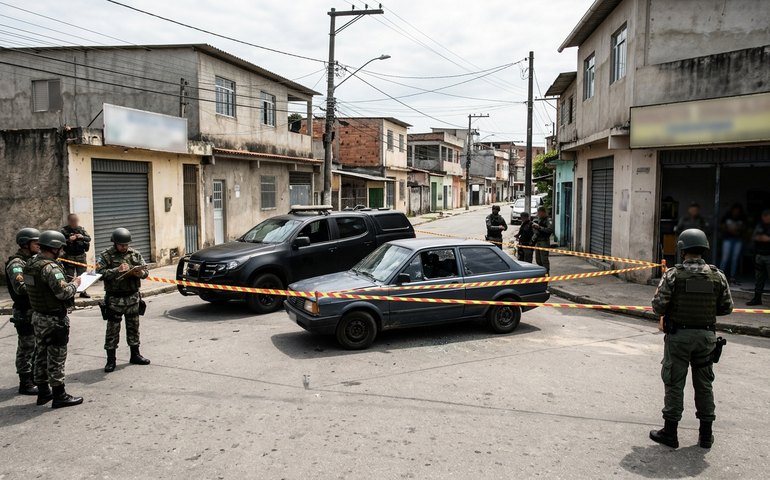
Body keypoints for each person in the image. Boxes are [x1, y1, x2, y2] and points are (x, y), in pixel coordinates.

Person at [650, 229, 733, 449]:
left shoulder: (673, 275)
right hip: (706, 337)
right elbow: (727, 308)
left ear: (682, 249)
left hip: (679, 337)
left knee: (674, 383)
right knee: (704, 385)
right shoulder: (717, 275)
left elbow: (657, 306)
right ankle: (706, 436)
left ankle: (670, 433)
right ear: (704, 249)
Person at [24, 230, 83, 408]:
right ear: (55, 247)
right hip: (54, 319)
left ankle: (43, 392)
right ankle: (59, 395)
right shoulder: (50, 267)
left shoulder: (31, 263)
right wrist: (75, 284)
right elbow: (63, 292)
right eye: (61, 248)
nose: (62, 251)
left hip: (38, 316)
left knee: (40, 355)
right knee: (56, 357)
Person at [96, 227, 150, 373]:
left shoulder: (135, 254)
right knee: (112, 330)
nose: (124, 247)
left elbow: (146, 272)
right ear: (115, 243)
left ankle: (135, 354)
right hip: (114, 299)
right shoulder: (106, 255)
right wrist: (116, 270)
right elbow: (99, 273)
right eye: (121, 245)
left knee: (133, 327)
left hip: (132, 297)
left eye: (126, 245)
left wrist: (139, 273)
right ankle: (111, 360)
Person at [5, 228, 41, 395]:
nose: (39, 245)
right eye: (35, 243)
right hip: (24, 311)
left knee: (36, 346)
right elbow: (20, 288)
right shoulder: (17, 264)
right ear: (25, 244)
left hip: (35, 310)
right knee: (26, 347)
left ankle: (34, 376)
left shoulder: (33, 260)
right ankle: (25, 382)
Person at [60, 214, 91, 298]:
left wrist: (82, 237)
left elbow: (89, 238)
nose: (76, 223)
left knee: (82, 275)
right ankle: (71, 293)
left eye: (77, 221)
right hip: (69, 257)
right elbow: (60, 242)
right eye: (74, 221)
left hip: (81, 256)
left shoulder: (81, 229)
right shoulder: (64, 231)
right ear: (70, 221)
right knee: (69, 276)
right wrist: (69, 240)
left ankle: (83, 291)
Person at [747, 209, 770, 306]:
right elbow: (754, 237)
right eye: (764, 216)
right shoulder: (760, 225)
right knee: (758, 278)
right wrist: (762, 238)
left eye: (767, 216)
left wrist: (767, 239)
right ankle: (757, 299)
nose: (765, 218)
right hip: (759, 254)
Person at [718, 204, 746, 283]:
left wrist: (737, 230)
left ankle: (732, 276)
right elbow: (721, 226)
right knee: (725, 258)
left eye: (737, 211)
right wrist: (730, 230)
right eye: (735, 210)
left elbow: (745, 227)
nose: (736, 212)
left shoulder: (742, 217)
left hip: (738, 239)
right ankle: (720, 275)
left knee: (735, 258)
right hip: (727, 238)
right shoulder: (727, 216)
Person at [532, 206, 553, 274]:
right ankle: (542, 272)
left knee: (544, 259)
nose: (538, 214)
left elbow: (550, 230)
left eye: (539, 213)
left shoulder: (548, 220)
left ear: (543, 212)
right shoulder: (539, 219)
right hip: (538, 241)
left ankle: (546, 273)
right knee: (538, 260)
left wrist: (540, 227)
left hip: (544, 241)